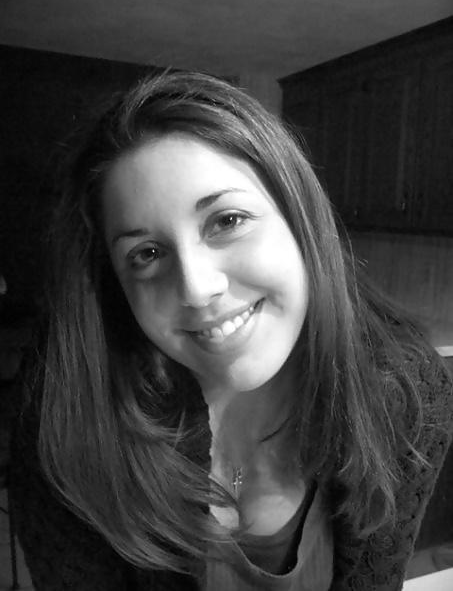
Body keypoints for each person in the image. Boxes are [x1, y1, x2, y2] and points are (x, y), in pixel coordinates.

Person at [10, 70, 453, 591]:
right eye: (147, 254)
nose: (197, 289)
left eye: (227, 221)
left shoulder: (404, 392)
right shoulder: (71, 421)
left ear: (301, 220)